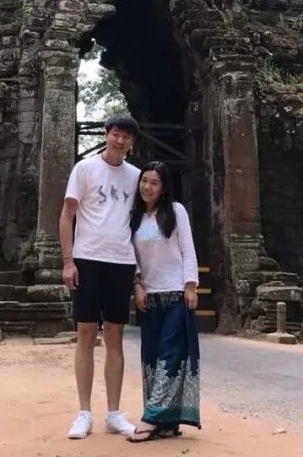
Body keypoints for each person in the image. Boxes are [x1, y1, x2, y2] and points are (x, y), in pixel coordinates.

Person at [60, 114, 142, 440]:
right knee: (85, 332)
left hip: (121, 261)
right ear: (106, 134)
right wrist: (68, 261)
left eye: (126, 137)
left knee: (114, 335)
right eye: (116, 134)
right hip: (88, 259)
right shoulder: (85, 169)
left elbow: (144, 223)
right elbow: (67, 215)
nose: (120, 141)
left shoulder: (136, 177)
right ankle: (84, 412)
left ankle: (114, 412)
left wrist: (140, 274)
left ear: (132, 143)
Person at [127, 161, 201, 443]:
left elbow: (188, 249)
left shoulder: (176, 211)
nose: (147, 187)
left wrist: (190, 285)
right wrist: (137, 285)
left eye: (154, 182)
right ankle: (167, 423)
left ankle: (150, 418)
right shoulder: (134, 217)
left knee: (170, 356)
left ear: (163, 188)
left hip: (176, 294)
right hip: (150, 297)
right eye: (144, 180)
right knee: (151, 358)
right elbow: (130, 255)